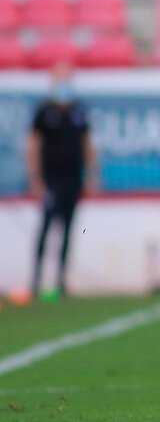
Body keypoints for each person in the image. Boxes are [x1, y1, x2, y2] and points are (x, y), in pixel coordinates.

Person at [25, 62, 99, 302]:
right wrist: (36, 179)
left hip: (72, 179)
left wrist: (90, 174)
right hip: (51, 178)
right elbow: (33, 145)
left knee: (67, 230)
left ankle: (61, 280)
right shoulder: (44, 112)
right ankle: (35, 281)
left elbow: (87, 144)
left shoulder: (79, 111)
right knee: (46, 228)